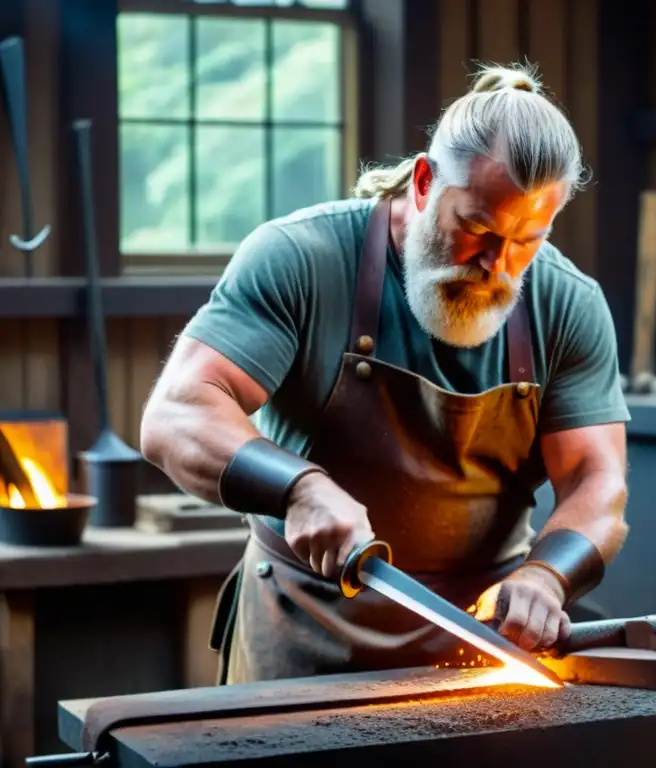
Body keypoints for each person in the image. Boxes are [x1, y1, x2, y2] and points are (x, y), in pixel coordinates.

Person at [140, 62, 630, 685]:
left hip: (479, 649)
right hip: (302, 629)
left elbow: (598, 482)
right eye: (476, 229)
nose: (497, 266)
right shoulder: (303, 258)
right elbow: (177, 412)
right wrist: (298, 487)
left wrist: (546, 574)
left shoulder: (567, 301)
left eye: (526, 240)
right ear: (424, 183)